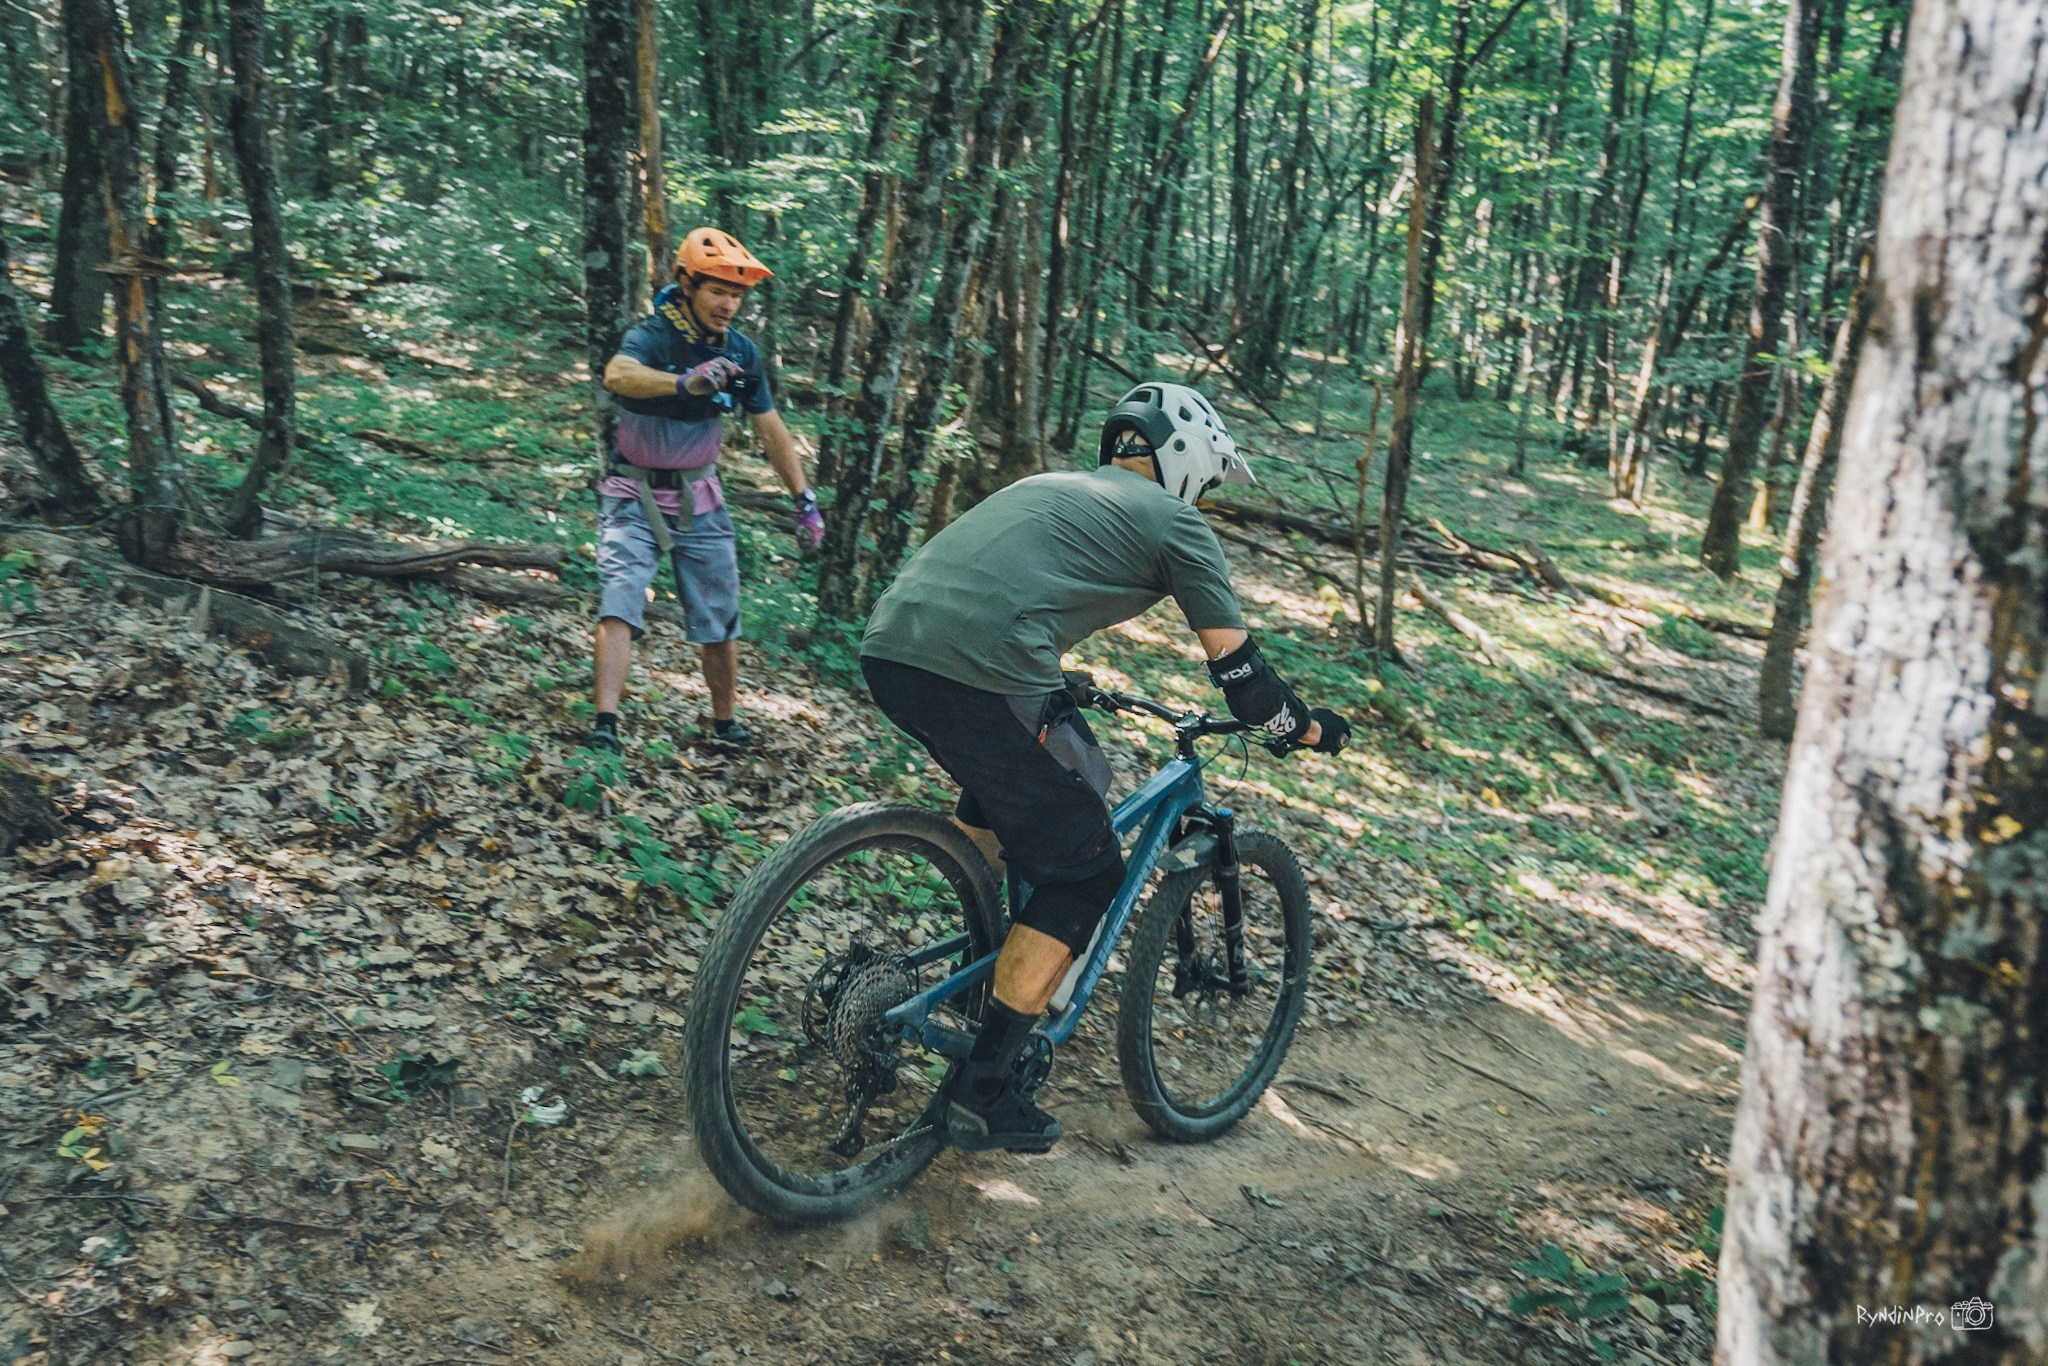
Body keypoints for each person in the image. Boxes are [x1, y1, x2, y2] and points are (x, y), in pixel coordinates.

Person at [859, 381, 1353, 1153]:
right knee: (1086, 872)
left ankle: (981, 964)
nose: (1208, 498)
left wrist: (1056, 680)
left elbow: (1001, 589)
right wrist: (1310, 729)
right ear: (1188, 459)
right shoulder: (1179, 523)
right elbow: (1245, 683)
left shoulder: (1052, 485)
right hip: (984, 666)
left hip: (891, 645)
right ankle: (983, 1090)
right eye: (1211, 482)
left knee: (1052, 778)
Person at [584, 227, 825, 755]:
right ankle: (605, 721)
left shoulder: (740, 354)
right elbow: (618, 375)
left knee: (720, 613)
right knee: (620, 596)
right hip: (634, 492)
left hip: (701, 497)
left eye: (737, 294)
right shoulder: (652, 336)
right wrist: (682, 383)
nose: (729, 304)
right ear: (687, 284)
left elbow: (769, 425)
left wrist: (803, 498)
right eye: (718, 290)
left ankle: (724, 723)